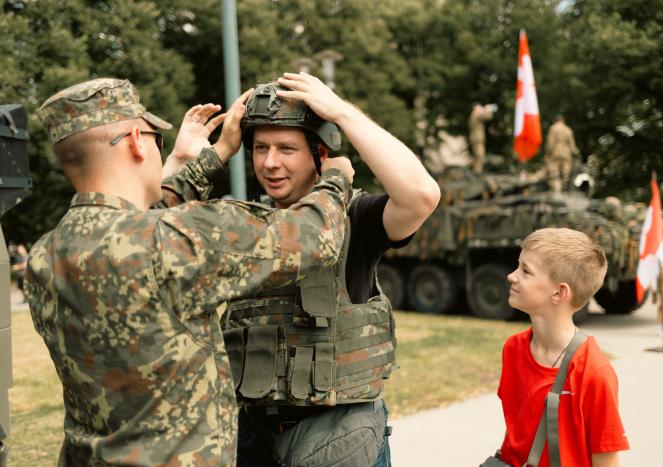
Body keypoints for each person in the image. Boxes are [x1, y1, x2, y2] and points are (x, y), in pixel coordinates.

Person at [27, 77, 355, 466]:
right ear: (136, 139)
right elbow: (315, 236)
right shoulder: (171, 240)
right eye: (154, 137)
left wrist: (216, 155)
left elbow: (136, 220)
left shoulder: (44, 255)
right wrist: (335, 178)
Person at [222, 72, 440, 467]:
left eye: (287, 148)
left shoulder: (355, 217)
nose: (270, 163)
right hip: (253, 434)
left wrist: (341, 112)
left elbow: (422, 195)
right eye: (260, 148)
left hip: (338, 437)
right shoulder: (243, 226)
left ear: (320, 155)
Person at [497, 228, 629, 466]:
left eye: (525, 271)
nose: (511, 276)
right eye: (518, 266)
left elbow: (606, 459)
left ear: (559, 292)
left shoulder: (594, 372)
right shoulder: (513, 349)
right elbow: (517, 432)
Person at [544, 115, 579, 193]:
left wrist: (548, 154)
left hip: (555, 155)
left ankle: (557, 193)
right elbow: (572, 146)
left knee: (555, 176)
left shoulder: (553, 128)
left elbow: (550, 143)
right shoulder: (568, 129)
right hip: (566, 155)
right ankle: (565, 192)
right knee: (565, 175)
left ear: (555, 121)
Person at [468, 103, 496, 174]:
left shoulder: (474, 115)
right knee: (480, 155)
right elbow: (487, 117)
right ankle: (477, 171)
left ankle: (477, 170)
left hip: (476, 138)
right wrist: (488, 110)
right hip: (477, 139)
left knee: (478, 155)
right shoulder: (475, 114)